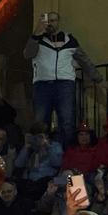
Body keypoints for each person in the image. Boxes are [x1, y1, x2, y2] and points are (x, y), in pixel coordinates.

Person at [25, 11, 98, 145]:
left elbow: (84, 59)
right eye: (48, 21)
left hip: (64, 84)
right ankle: (41, 154)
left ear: (58, 22)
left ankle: (67, 154)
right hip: (42, 85)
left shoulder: (69, 40)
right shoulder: (37, 39)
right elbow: (27, 54)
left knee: (67, 120)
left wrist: (97, 78)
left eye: (53, 20)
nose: (50, 24)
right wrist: (36, 33)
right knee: (41, 122)